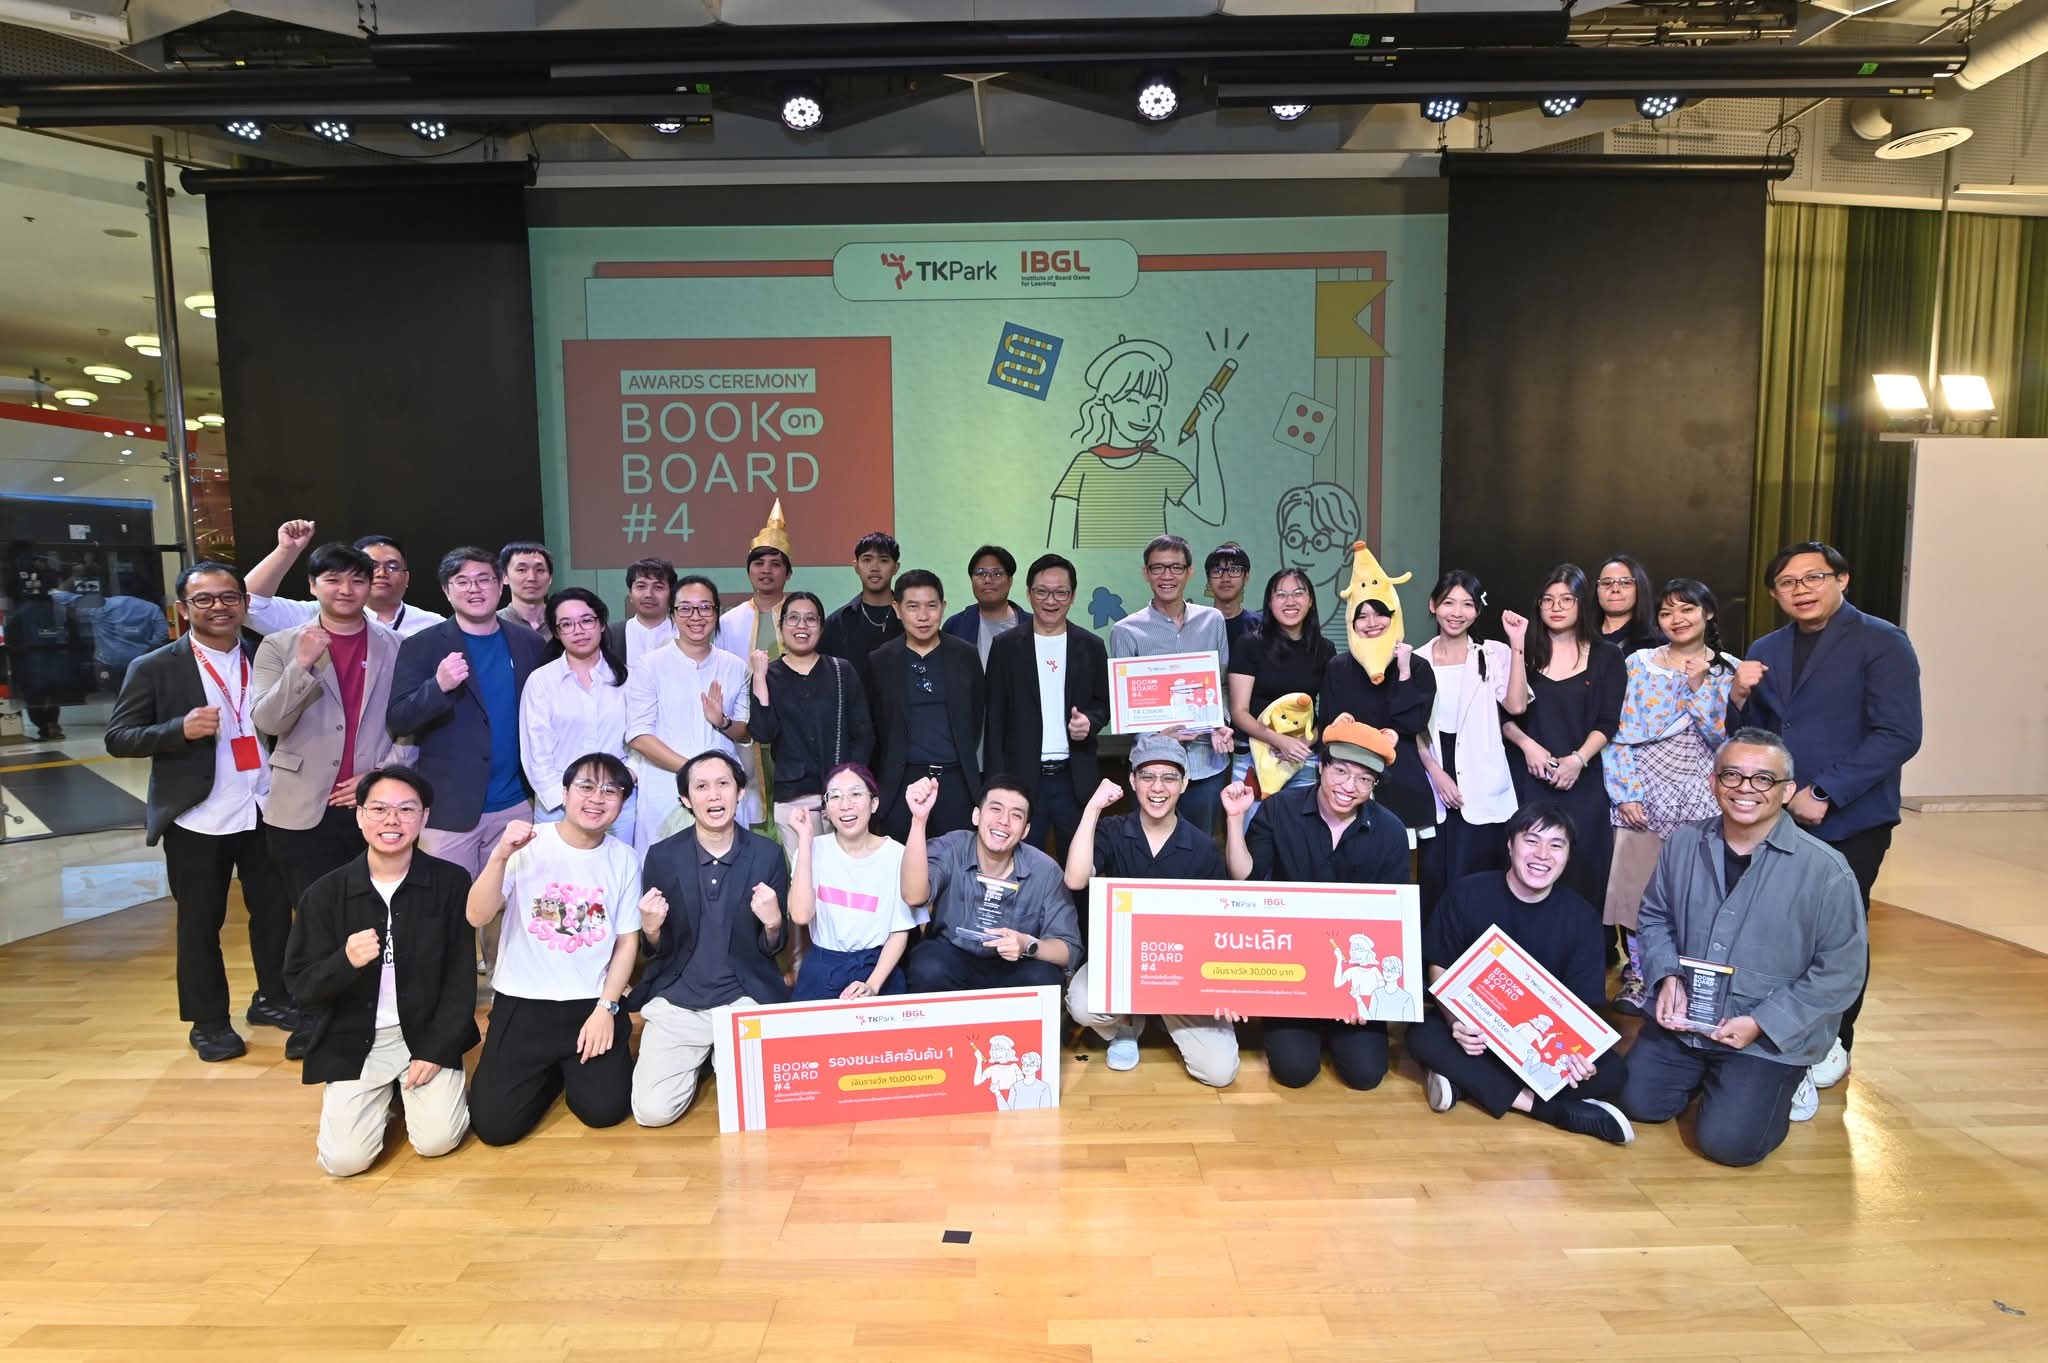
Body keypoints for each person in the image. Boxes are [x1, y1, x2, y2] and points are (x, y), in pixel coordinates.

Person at [1618, 728, 1868, 1165]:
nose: (1745, 788)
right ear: (1713, 783)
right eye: (1731, 775)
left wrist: (1762, 1022)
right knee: (1635, 1101)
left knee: (1729, 1145)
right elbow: (1655, 916)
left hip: (1763, 1035)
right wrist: (1667, 975)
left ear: (1787, 791)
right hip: (1688, 1021)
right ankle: (1713, 1078)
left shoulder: (1826, 871)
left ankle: (1788, 1079)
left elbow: (1841, 972)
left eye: (1763, 779)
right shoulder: (1683, 843)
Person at [1733, 541, 1920, 1091]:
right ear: (1774, 594)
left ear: (1842, 579)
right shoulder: (1767, 648)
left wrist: (1825, 791)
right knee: (1777, 928)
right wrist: (1738, 697)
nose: (1802, 590)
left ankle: (1833, 1042)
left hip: (1851, 819)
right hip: (1777, 817)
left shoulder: (1882, 642)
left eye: (1813, 577)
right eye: (1788, 583)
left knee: (1838, 934)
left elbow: (1899, 733)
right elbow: (1754, 734)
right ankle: (1778, 1030)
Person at [106, 561, 299, 1063]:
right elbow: (119, 738)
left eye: (229, 597)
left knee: (274, 913)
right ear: (183, 608)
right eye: (204, 599)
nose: (219, 607)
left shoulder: (267, 652)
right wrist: (178, 730)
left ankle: (274, 998)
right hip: (198, 815)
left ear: (244, 603)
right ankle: (208, 1022)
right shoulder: (155, 666)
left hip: (265, 804)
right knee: (199, 922)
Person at [282, 765, 478, 1176]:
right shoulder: (325, 894)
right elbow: (301, 986)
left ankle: (405, 1094)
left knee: (437, 1141)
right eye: (379, 809)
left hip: (424, 1033)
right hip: (357, 1040)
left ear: (424, 817)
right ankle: (384, 1096)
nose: (392, 821)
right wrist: (344, 962)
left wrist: (436, 1049)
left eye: (406, 809)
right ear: (359, 816)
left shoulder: (451, 883)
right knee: (343, 1163)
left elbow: (460, 981)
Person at [1409, 802, 1635, 1145]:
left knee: (1612, 1072)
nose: (1542, 854)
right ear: (1510, 845)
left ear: (1568, 855)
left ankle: (1467, 1084)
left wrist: (1579, 1054)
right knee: (1422, 1035)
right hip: (1477, 1036)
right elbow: (1439, 965)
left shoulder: (1582, 918)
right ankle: (1549, 1110)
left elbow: (1584, 1006)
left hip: (1540, 1050)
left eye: (1556, 845)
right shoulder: (1466, 893)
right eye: (1531, 840)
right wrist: (1457, 1022)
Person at [1222, 718, 1410, 1090]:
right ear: (1321, 766)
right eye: (1340, 771)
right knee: (1294, 1070)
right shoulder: (1280, 809)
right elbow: (1246, 879)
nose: (1349, 787)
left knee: (1365, 1075)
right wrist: (1234, 819)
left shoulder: (1390, 831)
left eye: (1364, 779)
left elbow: (1393, 919)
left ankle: (1338, 1031)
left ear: (1374, 785)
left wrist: (1367, 998)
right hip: (1293, 965)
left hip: (1355, 972)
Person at [464, 753, 642, 1145]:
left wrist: (607, 1007)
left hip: (590, 1005)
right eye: (586, 786)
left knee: (605, 1111)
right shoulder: (526, 843)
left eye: (611, 791)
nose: (597, 798)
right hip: (523, 1003)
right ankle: (551, 1072)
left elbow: (628, 941)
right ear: (564, 793)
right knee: (495, 1128)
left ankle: (569, 1067)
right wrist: (500, 856)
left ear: (622, 803)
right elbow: (477, 914)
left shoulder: (624, 859)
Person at [387, 548, 549, 935]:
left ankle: (499, 975)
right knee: (445, 914)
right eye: (462, 581)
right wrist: (438, 686)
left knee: (508, 913)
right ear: (446, 591)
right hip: (449, 808)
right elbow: (399, 718)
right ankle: (453, 978)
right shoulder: (422, 646)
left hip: (516, 804)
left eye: (483, 579)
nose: (474, 589)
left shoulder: (528, 643)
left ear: (500, 584)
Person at [1063, 734, 1240, 1086]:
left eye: (1169, 777)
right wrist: (1093, 808)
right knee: (1081, 1002)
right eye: (1147, 776)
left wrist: (1222, 985)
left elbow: (1218, 927)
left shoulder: (1203, 847)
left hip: (1184, 973)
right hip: (1124, 967)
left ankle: (1165, 1017)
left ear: (1184, 784)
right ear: (1132, 781)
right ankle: (1127, 1024)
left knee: (1219, 1072)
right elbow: (1075, 878)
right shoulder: (1113, 831)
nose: (1157, 788)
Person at [627, 750, 790, 1127]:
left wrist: (773, 923)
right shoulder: (662, 856)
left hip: (743, 997)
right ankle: (701, 1056)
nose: (714, 795)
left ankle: (718, 1055)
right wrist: (650, 929)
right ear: (686, 799)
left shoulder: (767, 854)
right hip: (680, 1000)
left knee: (756, 1104)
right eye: (701, 787)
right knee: (652, 1113)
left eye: (723, 784)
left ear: (740, 792)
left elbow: (772, 947)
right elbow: (657, 949)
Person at [1603, 579, 1739, 1014]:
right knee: (1636, 890)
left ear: (1708, 613)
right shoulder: (1638, 664)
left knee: (1697, 892)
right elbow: (1615, 732)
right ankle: (1640, 975)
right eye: (1666, 612)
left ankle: (1689, 983)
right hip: (1642, 789)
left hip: (1702, 794)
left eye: (1687, 609)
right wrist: (1626, 793)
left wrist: (1700, 686)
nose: (1676, 620)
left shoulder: (1729, 670)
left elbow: (1724, 740)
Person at [251, 542, 403, 911]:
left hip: (376, 803)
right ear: (312, 585)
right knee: (315, 918)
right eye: (333, 580)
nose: (346, 590)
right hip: (301, 807)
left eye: (358, 580)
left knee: (378, 915)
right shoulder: (278, 645)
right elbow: (268, 721)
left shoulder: (399, 646)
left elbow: (412, 724)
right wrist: (301, 665)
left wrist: (381, 773)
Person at [1502, 564, 1624, 913]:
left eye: (1566, 599)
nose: (1556, 607)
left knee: (1583, 871)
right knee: (1527, 868)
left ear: (1581, 603)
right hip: (1528, 778)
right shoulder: (1523, 653)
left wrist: (1578, 760)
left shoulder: (1607, 655)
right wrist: (1528, 745)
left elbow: (1608, 721)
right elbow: (1504, 716)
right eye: (1548, 600)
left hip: (1582, 780)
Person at [900, 776, 1083, 992]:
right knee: (927, 967)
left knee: (1044, 977)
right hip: (951, 956)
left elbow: (1069, 949)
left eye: (1016, 815)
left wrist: (1027, 944)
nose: (1004, 821)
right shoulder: (952, 847)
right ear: (976, 815)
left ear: (1025, 830)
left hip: (1015, 965)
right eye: (995, 809)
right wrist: (919, 820)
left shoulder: (1046, 871)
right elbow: (914, 896)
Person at [1414, 571, 1530, 908]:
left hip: (1481, 776)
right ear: (1433, 606)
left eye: (1467, 604)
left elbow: (1516, 706)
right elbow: (1412, 728)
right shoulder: (1417, 659)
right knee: (1435, 879)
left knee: (1480, 880)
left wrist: (1517, 642)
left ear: (1477, 611)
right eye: (1448, 602)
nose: (1456, 612)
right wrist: (1436, 773)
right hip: (1433, 772)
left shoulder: (1492, 653)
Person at [983, 553, 1111, 855]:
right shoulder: (1006, 647)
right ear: (1029, 593)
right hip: (1021, 779)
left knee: (1080, 865)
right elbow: (994, 721)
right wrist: (995, 785)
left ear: (1073, 595)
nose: (1051, 601)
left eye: (1060, 593)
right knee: (1019, 865)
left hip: (1074, 779)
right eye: (1041, 592)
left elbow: (1104, 704)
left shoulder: (1091, 646)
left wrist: (1089, 722)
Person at [1047, 335, 1226, 549]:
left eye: (1155, 405)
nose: (1145, 415)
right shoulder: (1085, 464)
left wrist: (1205, 432)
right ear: (1109, 402)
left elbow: (1212, 512)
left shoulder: (1163, 467)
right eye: (1133, 400)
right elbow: (1058, 542)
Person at [1111, 534, 1233, 835]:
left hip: (1207, 762)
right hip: (1152, 766)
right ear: (1146, 573)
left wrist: (1220, 722)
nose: (1167, 576)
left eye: (1176, 567)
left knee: (1201, 846)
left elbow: (1222, 685)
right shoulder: (1126, 631)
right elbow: (1126, 706)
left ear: (1189, 572)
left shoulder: (1213, 621)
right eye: (1158, 568)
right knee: (1151, 848)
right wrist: (1158, 736)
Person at [625, 575, 756, 850]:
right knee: (667, 866)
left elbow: (744, 732)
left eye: (705, 607)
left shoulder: (735, 667)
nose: (695, 616)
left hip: (722, 791)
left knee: (728, 863)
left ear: (717, 612)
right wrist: (695, 771)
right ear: (672, 614)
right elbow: (638, 735)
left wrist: (722, 722)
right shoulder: (649, 666)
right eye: (685, 608)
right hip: (666, 788)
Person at [747, 590, 873, 852]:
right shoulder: (769, 675)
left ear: (821, 626)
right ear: (781, 626)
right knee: (803, 872)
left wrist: (851, 785)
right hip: (793, 799)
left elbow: (863, 735)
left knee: (843, 871)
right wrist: (758, 677)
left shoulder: (842, 670)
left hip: (841, 796)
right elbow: (763, 732)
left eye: (810, 619)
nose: (801, 626)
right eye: (793, 618)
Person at [869, 569, 985, 840]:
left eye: (931, 606)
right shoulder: (880, 660)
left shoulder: (965, 655)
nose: (923, 616)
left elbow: (976, 715)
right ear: (897, 609)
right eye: (913, 606)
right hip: (901, 783)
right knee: (902, 860)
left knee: (956, 859)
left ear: (943, 607)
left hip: (957, 782)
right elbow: (877, 724)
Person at [787, 765, 916, 1000]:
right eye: (835, 796)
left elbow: (900, 931)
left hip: (878, 967)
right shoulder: (811, 850)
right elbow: (800, 915)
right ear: (826, 808)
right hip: (822, 968)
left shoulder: (897, 855)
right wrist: (804, 840)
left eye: (856, 794)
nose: (845, 804)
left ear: (874, 803)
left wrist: (872, 985)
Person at [520, 588, 634, 834]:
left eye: (586, 620)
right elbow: (535, 753)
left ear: (601, 624)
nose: (578, 630)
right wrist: (568, 800)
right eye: (566, 624)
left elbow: (641, 740)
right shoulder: (541, 681)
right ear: (556, 632)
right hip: (558, 805)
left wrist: (627, 778)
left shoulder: (629, 678)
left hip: (617, 802)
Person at [1319, 595, 1437, 831]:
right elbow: (1326, 727)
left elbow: (1412, 724)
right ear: (1352, 623)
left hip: (1400, 783)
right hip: (1346, 784)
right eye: (1362, 616)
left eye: (1380, 614)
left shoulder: (1417, 666)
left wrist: (1404, 672)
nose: (1372, 623)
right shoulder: (1338, 667)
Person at [1227, 568, 1336, 810]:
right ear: (1270, 602)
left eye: (1298, 593)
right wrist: (1278, 741)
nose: (1290, 601)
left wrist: (1303, 743)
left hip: (1302, 756)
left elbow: (1330, 713)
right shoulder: (1249, 645)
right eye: (1281, 595)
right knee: (1253, 828)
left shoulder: (1324, 649)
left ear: (1310, 601)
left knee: (1299, 829)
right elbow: (1239, 711)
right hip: (1253, 757)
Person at [242, 520, 445, 638]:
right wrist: (286, 551)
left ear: (407, 577)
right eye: (372, 566)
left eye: (392, 566)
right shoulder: (314, 615)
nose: (382, 573)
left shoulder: (433, 626)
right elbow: (249, 605)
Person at [820, 530, 904, 674]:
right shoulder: (837, 623)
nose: (875, 568)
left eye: (883, 560)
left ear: (896, 567)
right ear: (856, 567)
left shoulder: (910, 618)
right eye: (867, 560)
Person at [944, 544, 1028, 665]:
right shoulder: (954, 625)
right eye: (980, 573)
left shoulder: (1031, 626)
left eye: (997, 574)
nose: (988, 580)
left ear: (1010, 581)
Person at [716, 541, 791, 663]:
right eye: (759, 563)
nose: (766, 570)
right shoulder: (728, 621)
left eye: (775, 564)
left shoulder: (803, 619)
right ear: (748, 571)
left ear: (789, 573)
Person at [604, 558, 678, 667]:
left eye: (658, 587)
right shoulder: (610, 634)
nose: (649, 594)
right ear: (630, 594)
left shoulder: (683, 634)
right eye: (641, 586)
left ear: (671, 595)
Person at [1595, 553, 1663, 656]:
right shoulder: (1580, 638)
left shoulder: (1657, 644)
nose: (1615, 589)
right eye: (1607, 583)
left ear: (1639, 588)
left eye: (1625, 582)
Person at [1204, 541, 1262, 650]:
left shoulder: (1261, 626)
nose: (1225, 578)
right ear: (1208, 580)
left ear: (1246, 577)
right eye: (1217, 571)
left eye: (1234, 570)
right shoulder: (1197, 626)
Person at [496, 540, 555, 640]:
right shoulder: (492, 624)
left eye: (539, 570)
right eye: (521, 570)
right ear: (504, 577)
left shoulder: (564, 622)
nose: (532, 578)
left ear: (550, 578)